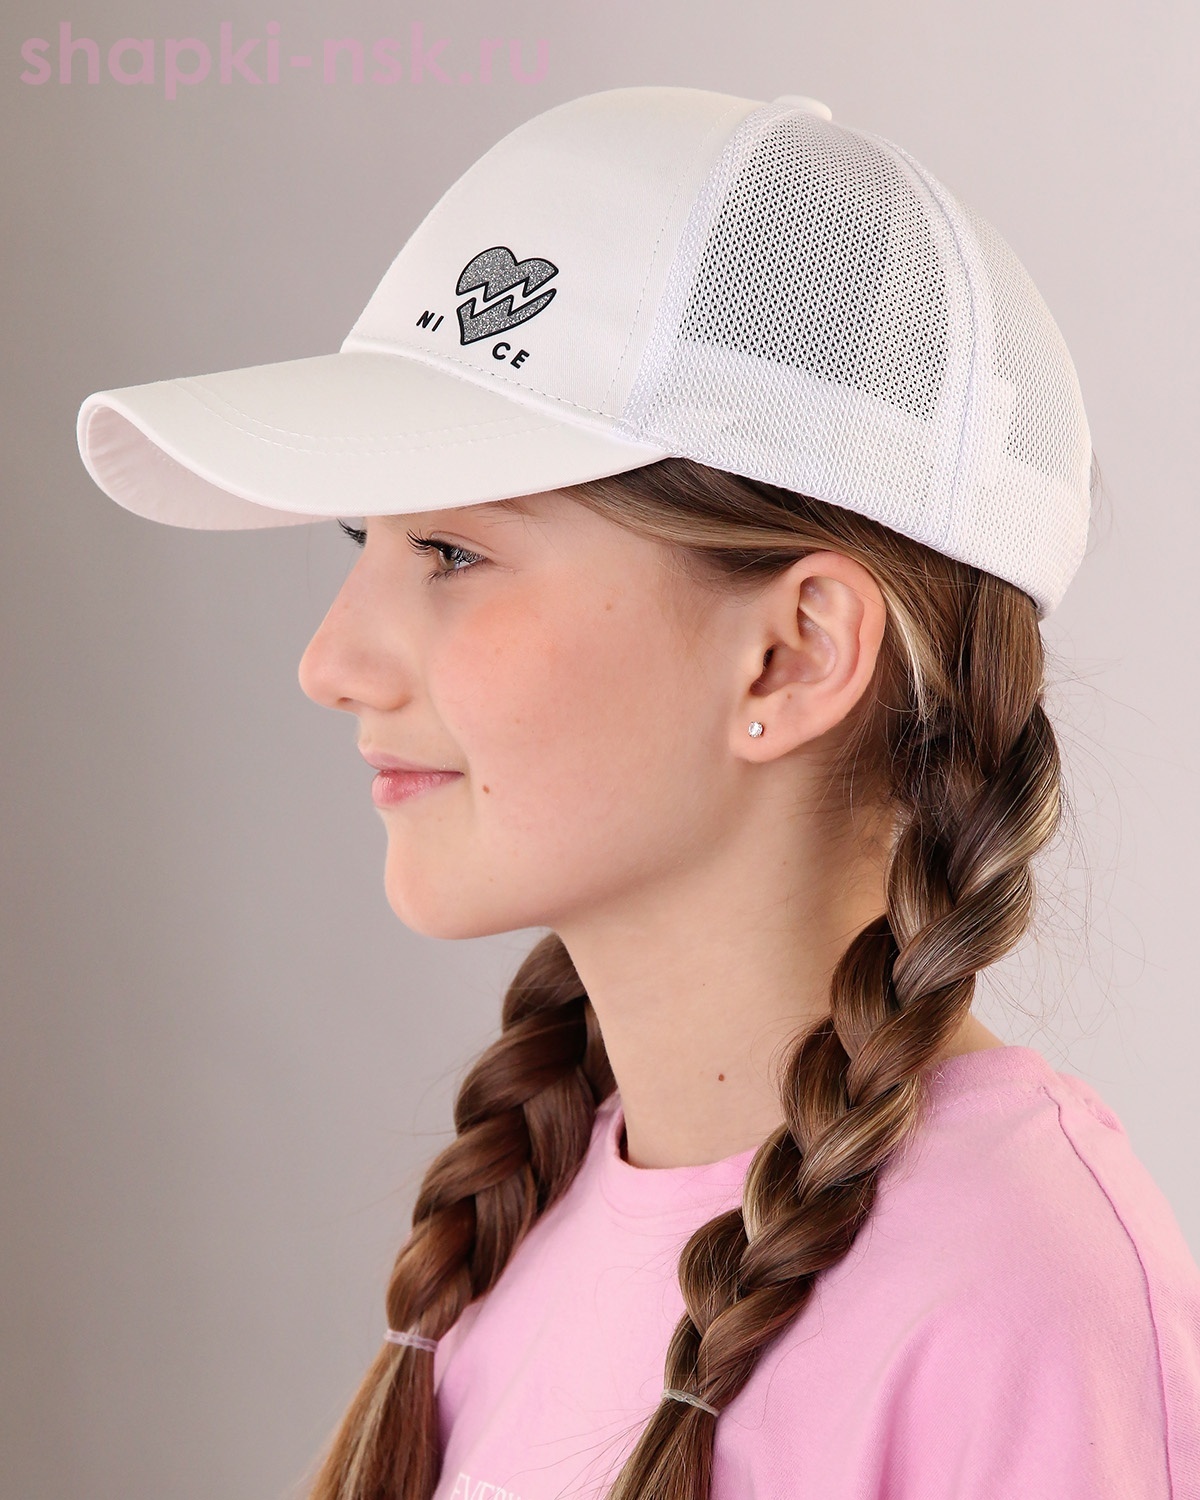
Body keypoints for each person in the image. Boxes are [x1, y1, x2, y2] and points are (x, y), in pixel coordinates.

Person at [76, 86, 1200, 1500]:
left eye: (452, 553)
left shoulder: (1026, 1304)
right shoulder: (518, 1238)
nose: (331, 662)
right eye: (367, 540)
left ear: (793, 652)